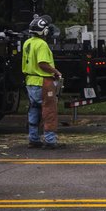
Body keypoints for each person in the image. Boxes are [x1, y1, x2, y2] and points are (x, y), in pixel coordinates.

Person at [21, 14, 63, 149]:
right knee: (49, 110)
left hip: (30, 81)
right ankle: (50, 140)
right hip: (42, 82)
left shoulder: (28, 42)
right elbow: (42, 63)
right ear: (43, 30)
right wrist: (55, 72)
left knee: (34, 109)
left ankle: (33, 138)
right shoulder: (42, 44)